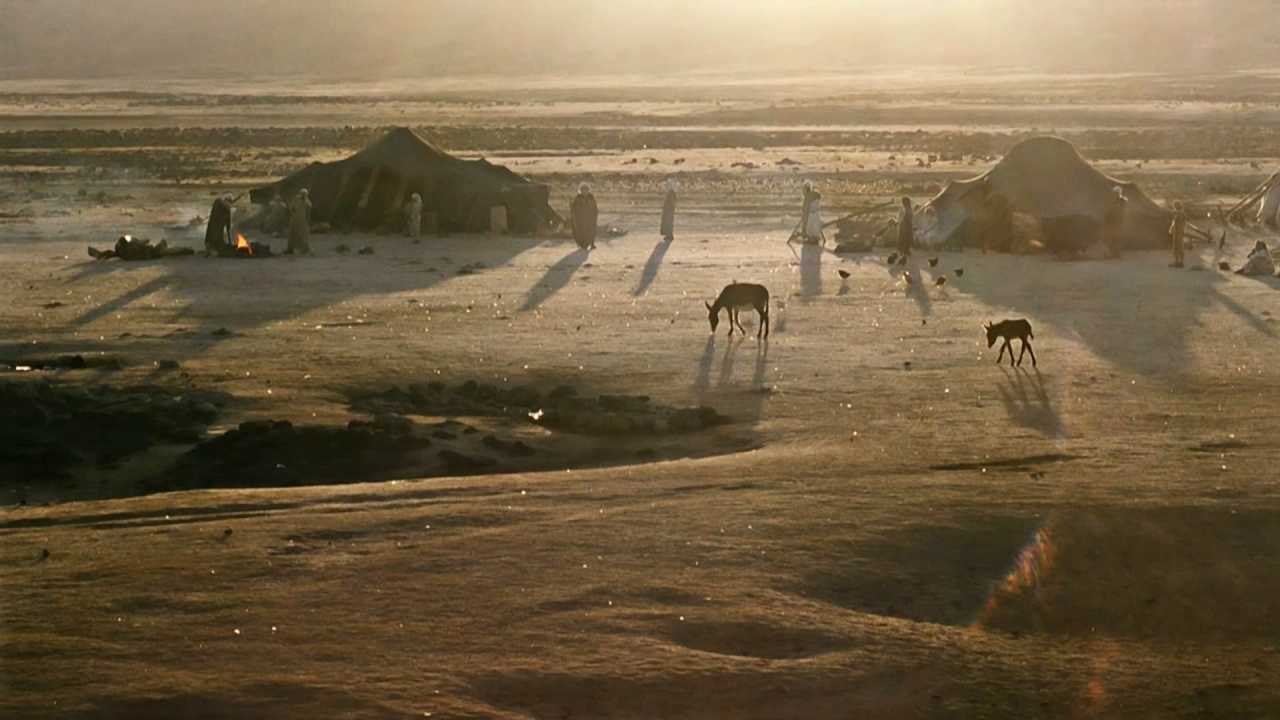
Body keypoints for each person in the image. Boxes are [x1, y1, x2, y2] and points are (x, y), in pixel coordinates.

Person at [88, 235, 193, 261]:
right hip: (148, 254)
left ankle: (100, 254)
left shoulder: (122, 251)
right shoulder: (126, 248)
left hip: (143, 253)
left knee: (165, 251)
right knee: (166, 251)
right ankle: (187, 250)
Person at [571, 183, 598, 250]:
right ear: (581, 190)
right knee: (582, 231)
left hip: (590, 217)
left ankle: (591, 243)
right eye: (583, 190)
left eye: (586, 189)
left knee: (592, 230)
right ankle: (583, 244)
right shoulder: (578, 198)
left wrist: (595, 213)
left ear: (588, 190)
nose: (584, 191)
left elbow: (594, 206)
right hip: (581, 218)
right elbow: (574, 209)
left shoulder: (591, 197)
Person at [1103, 186, 1127, 258]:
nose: (1115, 194)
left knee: (1117, 238)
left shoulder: (1122, 201)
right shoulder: (1113, 201)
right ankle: (1114, 253)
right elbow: (1109, 212)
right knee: (1113, 238)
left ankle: (1116, 253)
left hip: (1118, 222)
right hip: (1114, 222)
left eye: (1116, 193)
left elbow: (1122, 211)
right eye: (1115, 193)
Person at [287, 189, 312, 255]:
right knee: (292, 234)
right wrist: (293, 215)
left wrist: (307, 222)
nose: (303, 195)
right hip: (294, 220)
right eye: (302, 194)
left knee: (303, 235)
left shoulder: (308, 203)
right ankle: (290, 249)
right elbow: (291, 208)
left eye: (304, 194)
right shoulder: (296, 200)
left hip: (302, 221)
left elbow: (308, 214)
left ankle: (304, 249)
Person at [1169, 201, 1187, 268]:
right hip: (1180, 232)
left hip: (1177, 233)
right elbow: (1184, 223)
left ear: (1176, 207)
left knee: (1176, 247)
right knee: (1180, 247)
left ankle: (1177, 262)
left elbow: (1174, 223)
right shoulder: (1182, 214)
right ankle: (1180, 262)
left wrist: (1171, 229)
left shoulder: (1178, 214)